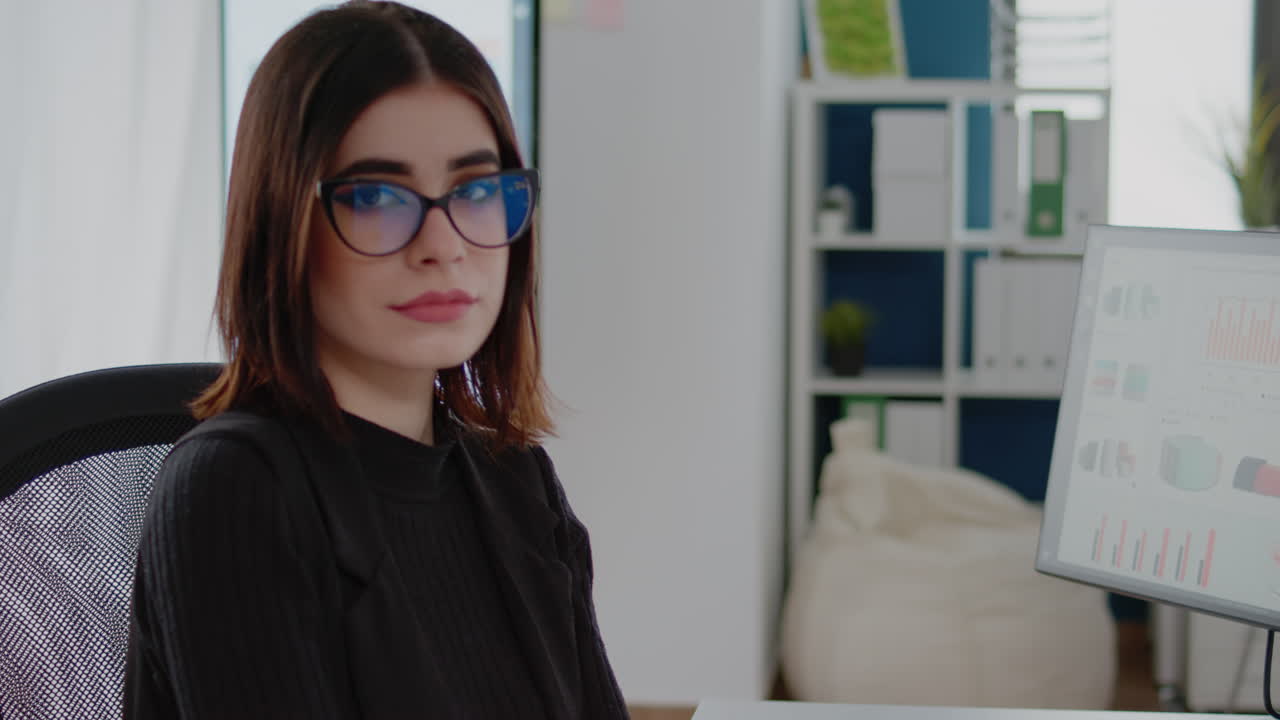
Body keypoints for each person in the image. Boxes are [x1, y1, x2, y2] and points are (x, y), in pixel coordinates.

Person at [123, 3, 628, 718]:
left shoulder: (515, 481)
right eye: (376, 196)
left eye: (478, 189)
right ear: (282, 225)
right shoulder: (234, 491)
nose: (443, 245)